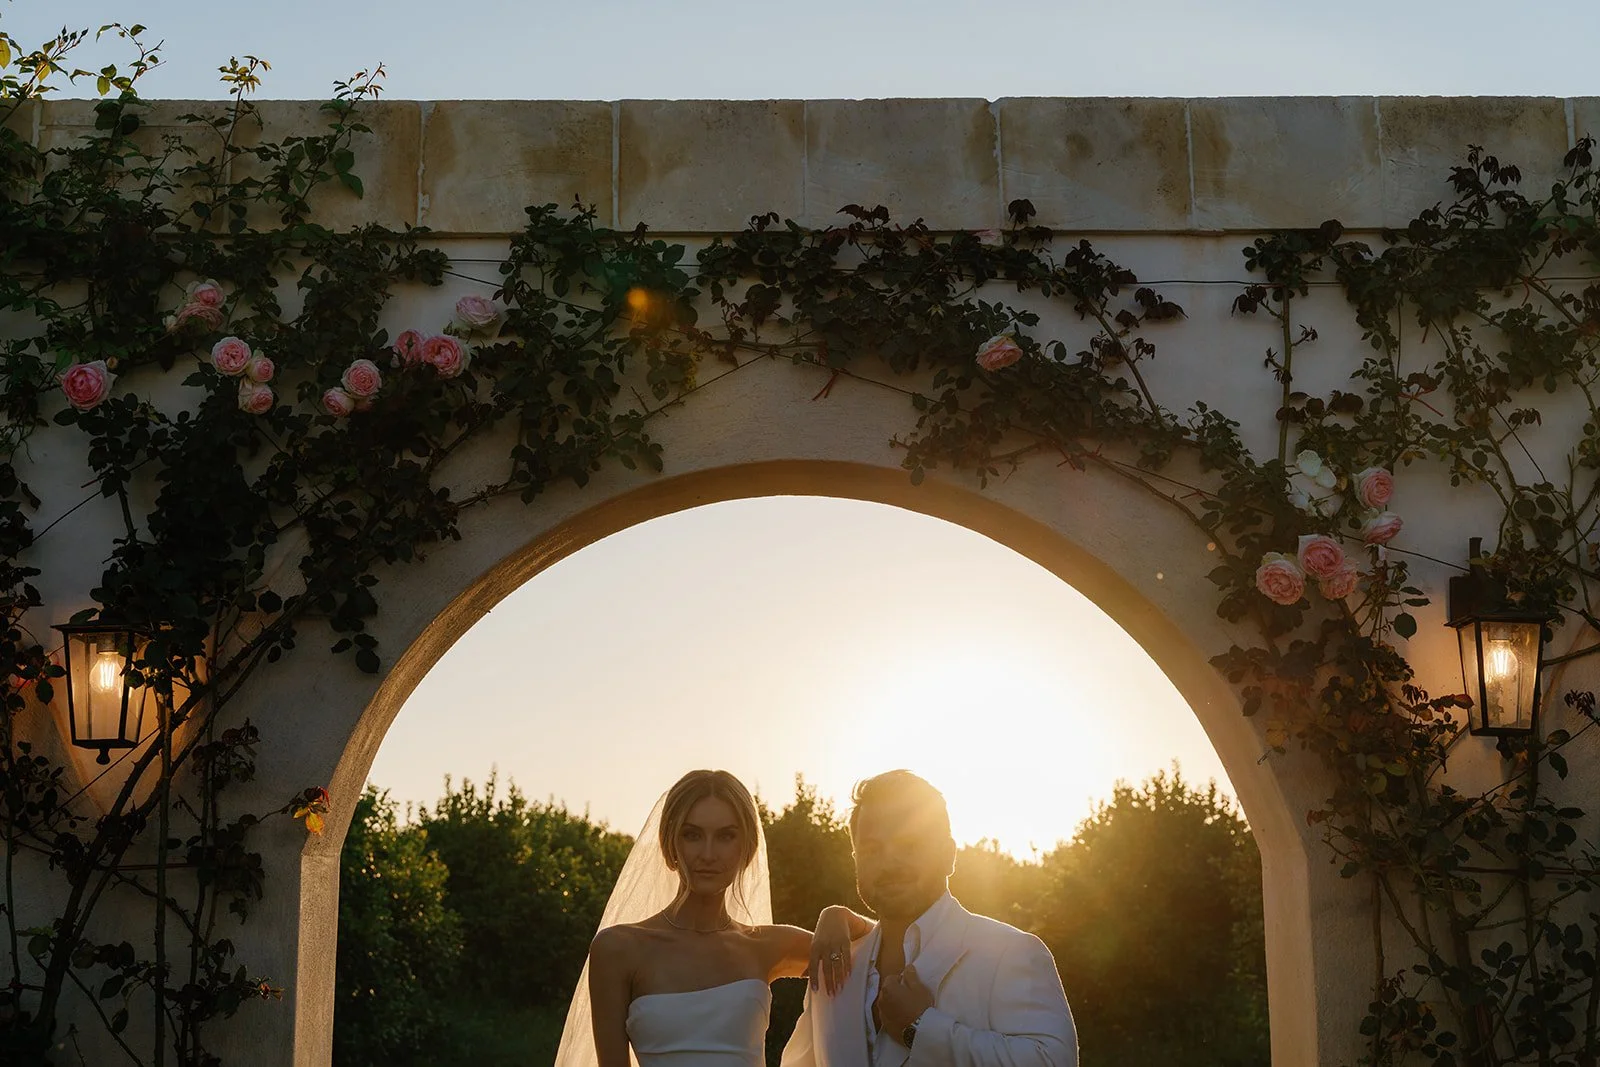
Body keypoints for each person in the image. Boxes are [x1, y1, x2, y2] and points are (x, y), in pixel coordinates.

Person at [555, 769, 870, 1067]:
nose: (708, 853)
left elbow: (879, 948)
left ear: (746, 850)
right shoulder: (617, 948)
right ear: (670, 845)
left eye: (725, 837)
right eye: (692, 835)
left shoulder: (766, 945)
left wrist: (837, 915)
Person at [781, 770, 1078, 1067]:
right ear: (855, 858)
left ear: (949, 856)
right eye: (872, 849)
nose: (889, 862)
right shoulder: (834, 967)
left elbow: (1055, 1062)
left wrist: (921, 1029)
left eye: (909, 845)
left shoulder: (1012, 952)